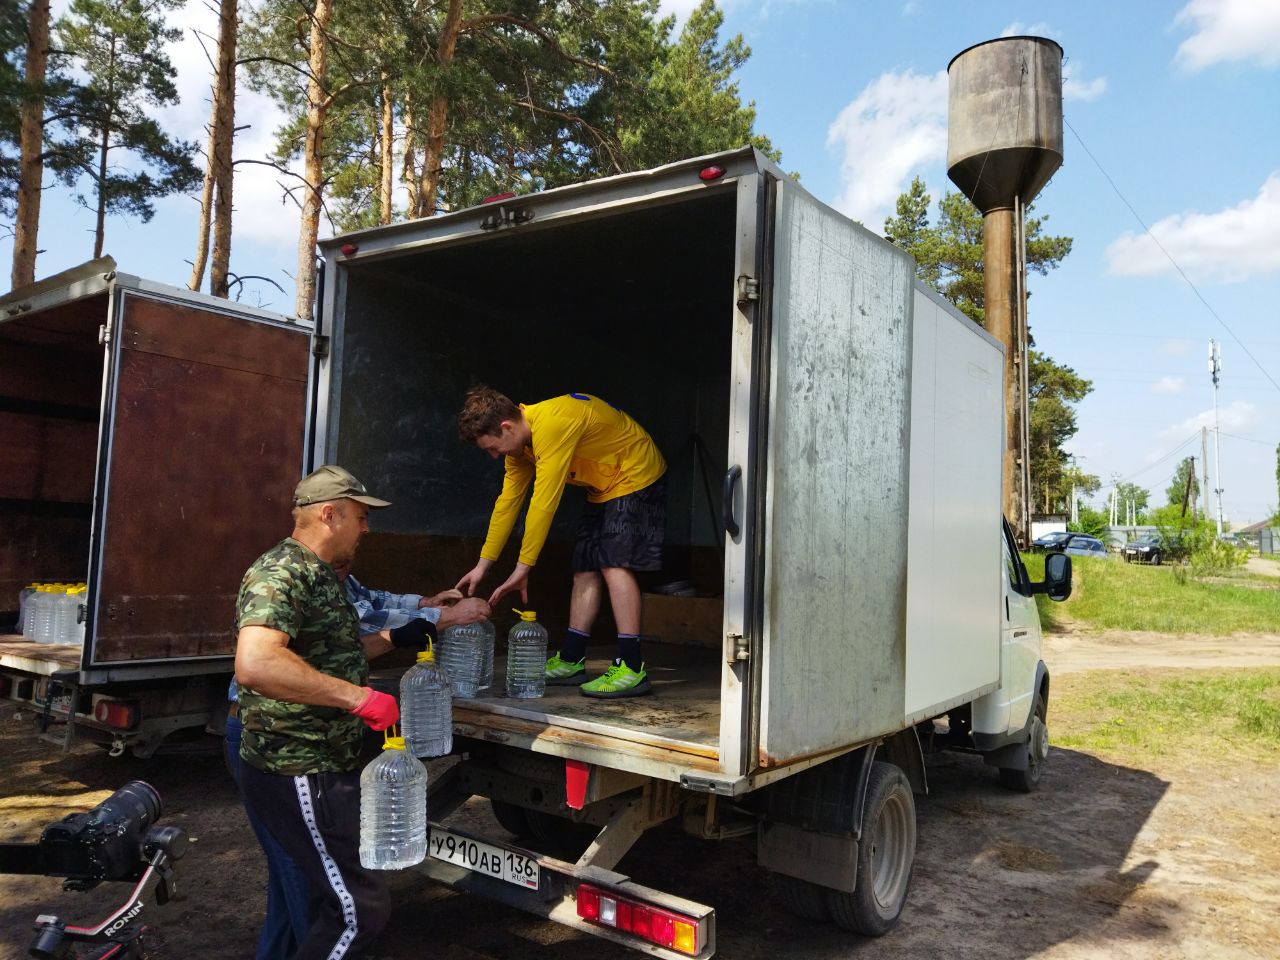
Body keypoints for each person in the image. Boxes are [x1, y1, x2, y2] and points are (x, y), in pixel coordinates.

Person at [233, 464, 487, 960]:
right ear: (330, 514)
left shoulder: (324, 576)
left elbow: (335, 652)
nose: (368, 528)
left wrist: (396, 637)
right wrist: (359, 698)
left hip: (328, 763)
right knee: (359, 911)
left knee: (330, 897)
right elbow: (257, 662)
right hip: (298, 766)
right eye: (361, 517)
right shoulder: (282, 573)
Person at [455, 386, 667, 699]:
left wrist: (523, 566)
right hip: (605, 486)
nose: (493, 455)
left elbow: (544, 502)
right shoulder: (521, 447)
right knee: (584, 567)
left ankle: (632, 666)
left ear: (506, 427)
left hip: (636, 473)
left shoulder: (551, 424)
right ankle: (571, 659)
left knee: (613, 564)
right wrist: (483, 564)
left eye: (492, 448)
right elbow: (508, 503)